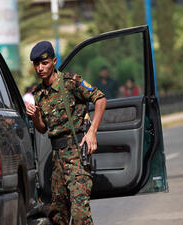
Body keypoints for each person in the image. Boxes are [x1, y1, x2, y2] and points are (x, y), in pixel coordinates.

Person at [26, 41, 107, 225]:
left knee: (79, 214)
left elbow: (100, 99)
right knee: (58, 216)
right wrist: (35, 116)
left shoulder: (71, 82)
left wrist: (92, 131)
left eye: (44, 63)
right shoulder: (38, 93)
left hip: (76, 154)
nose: (40, 68)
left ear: (54, 61)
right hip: (57, 160)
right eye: (36, 64)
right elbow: (42, 128)